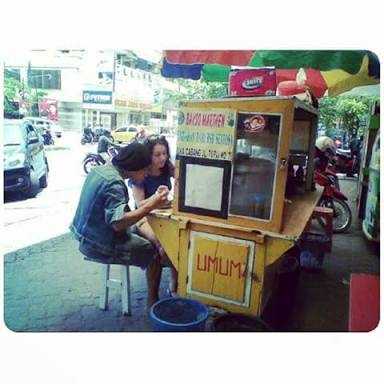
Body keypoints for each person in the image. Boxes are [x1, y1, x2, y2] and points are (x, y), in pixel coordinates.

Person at [70, 141, 170, 308]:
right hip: (96, 243)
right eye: (145, 170)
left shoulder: (100, 170)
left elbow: (126, 215)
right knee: (153, 253)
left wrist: (150, 202)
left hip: (85, 232)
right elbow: (118, 224)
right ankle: (152, 302)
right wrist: (151, 205)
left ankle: (159, 243)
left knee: (141, 225)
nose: (146, 174)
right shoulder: (114, 183)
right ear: (134, 167)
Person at [129, 135, 178, 296]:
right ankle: (154, 295)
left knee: (180, 239)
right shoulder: (140, 173)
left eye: (164, 153)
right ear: (148, 156)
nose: (162, 158)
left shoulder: (166, 167)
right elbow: (139, 205)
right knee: (163, 245)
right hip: (143, 218)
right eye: (157, 155)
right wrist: (156, 198)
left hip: (164, 215)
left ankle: (174, 282)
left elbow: (181, 177)